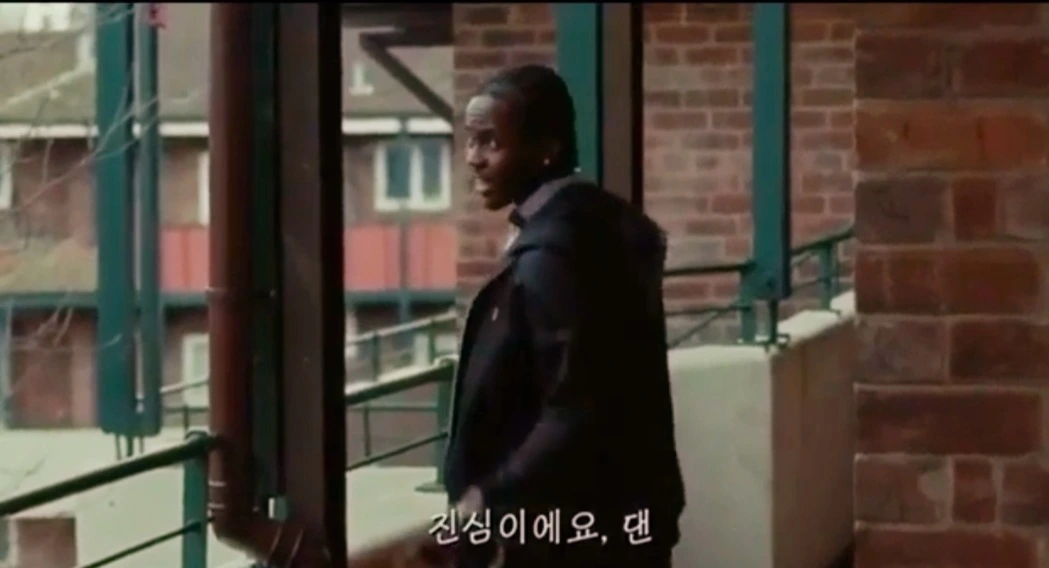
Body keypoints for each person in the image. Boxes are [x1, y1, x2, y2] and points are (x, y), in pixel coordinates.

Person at [439, 64, 685, 568]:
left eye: (490, 142)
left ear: (545, 150)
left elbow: (575, 402)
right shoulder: (593, 229)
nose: (473, 159)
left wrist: (489, 495)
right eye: (471, 141)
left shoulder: (557, 255)